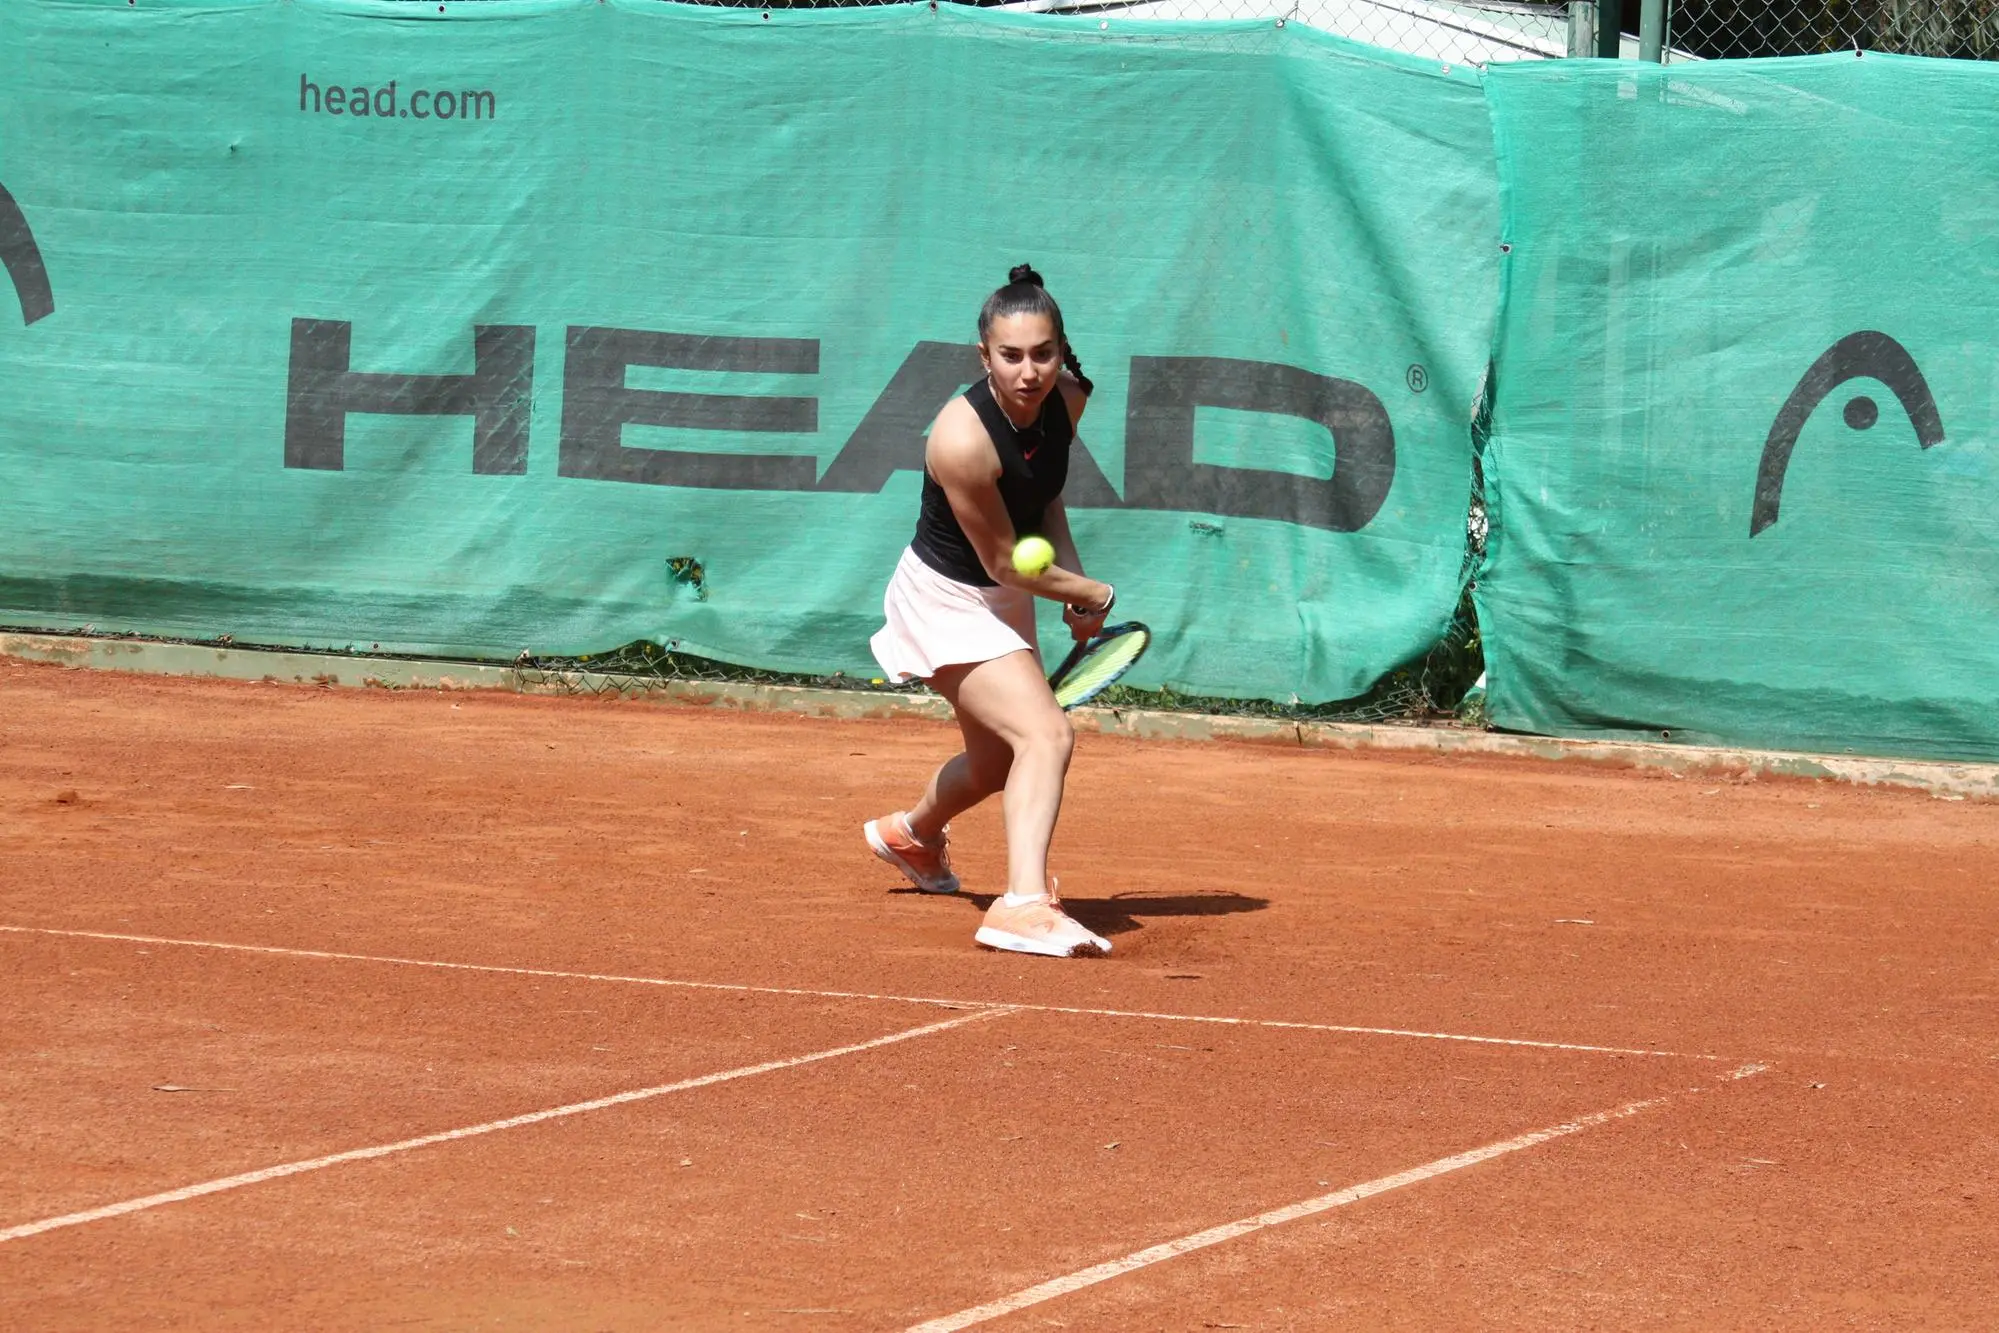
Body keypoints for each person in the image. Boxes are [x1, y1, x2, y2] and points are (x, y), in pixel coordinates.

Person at [863, 265, 1117, 958]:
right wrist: (1086, 594)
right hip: (945, 595)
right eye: (1010, 356)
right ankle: (1022, 904)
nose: (1029, 371)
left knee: (996, 762)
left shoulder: (1067, 399)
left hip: (1005, 593)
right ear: (984, 356)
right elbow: (1005, 559)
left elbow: (1047, 496)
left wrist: (1074, 578)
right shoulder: (959, 438)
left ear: (1061, 351)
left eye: (1042, 353)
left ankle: (909, 835)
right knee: (1046, 736)